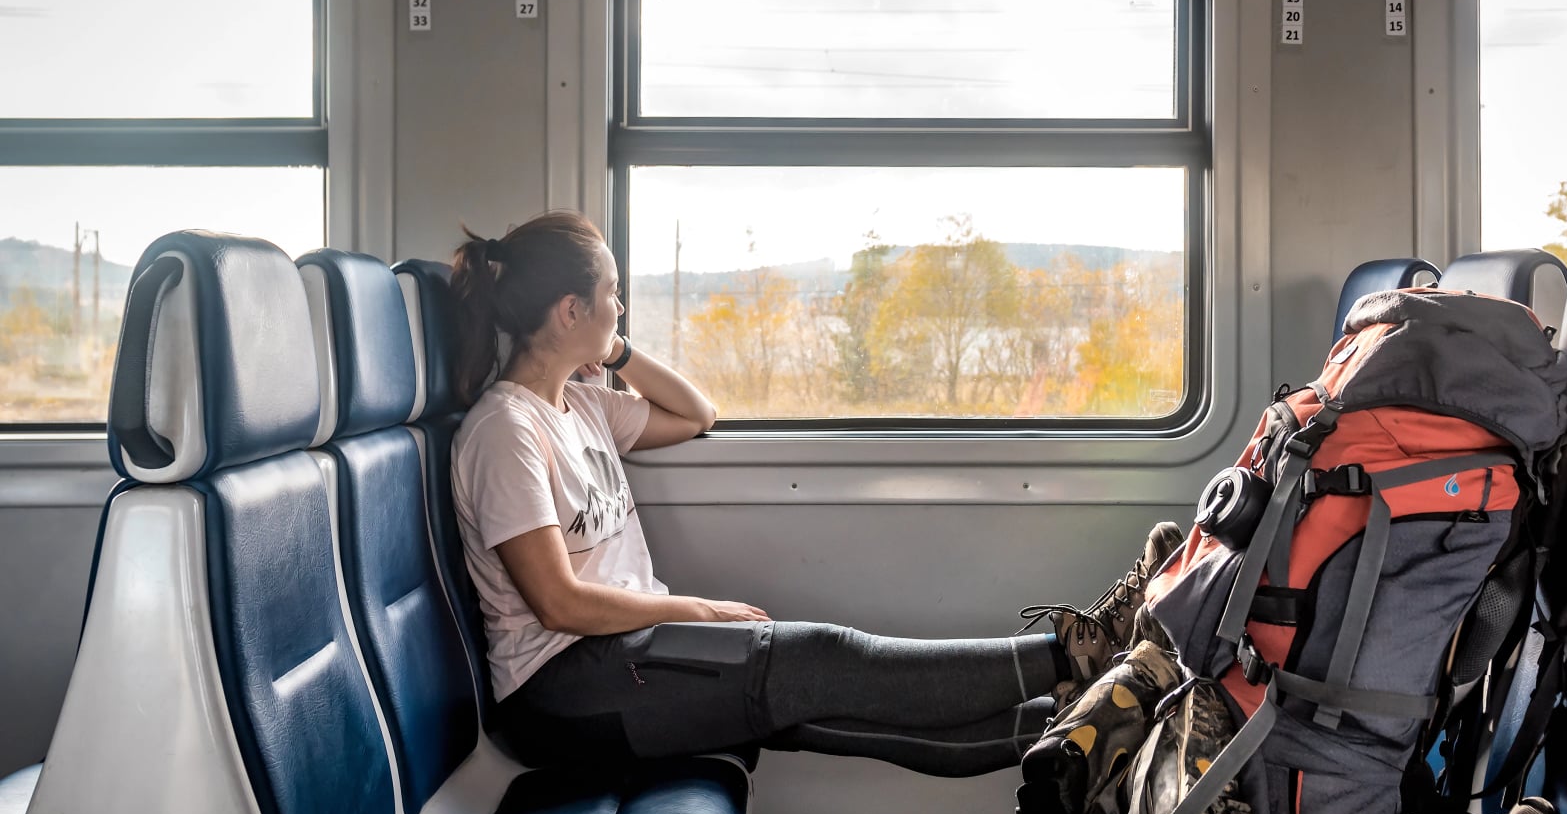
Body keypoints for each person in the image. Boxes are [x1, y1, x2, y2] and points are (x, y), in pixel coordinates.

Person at [448, 209, 1179, 779]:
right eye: (611, 296)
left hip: (622, 655)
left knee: (826, 706)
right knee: (824, 657)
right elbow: (561, 605)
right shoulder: (504, 432)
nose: (622, 309)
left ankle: (1081, 734)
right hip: (561, 691)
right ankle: (1077, 650)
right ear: (569, 311)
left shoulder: (582, 405)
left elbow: (697, 414)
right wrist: (697, 610)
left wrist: (616, 352)